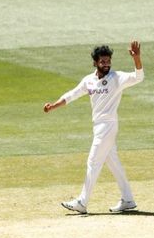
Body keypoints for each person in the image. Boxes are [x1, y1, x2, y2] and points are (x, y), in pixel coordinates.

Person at [44, 41, 144, 214]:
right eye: (103, 62)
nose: (106, 64)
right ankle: (128, 199)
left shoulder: (116, 78)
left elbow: (138, 77)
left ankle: (82, 202)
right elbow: (72, 95)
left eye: (108, 61)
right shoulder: (89, 81)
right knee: (112, 163)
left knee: (93, 162)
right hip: (98, 126)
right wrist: (54, 105)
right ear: (95, 62)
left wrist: (137, 58)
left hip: (108, 125)